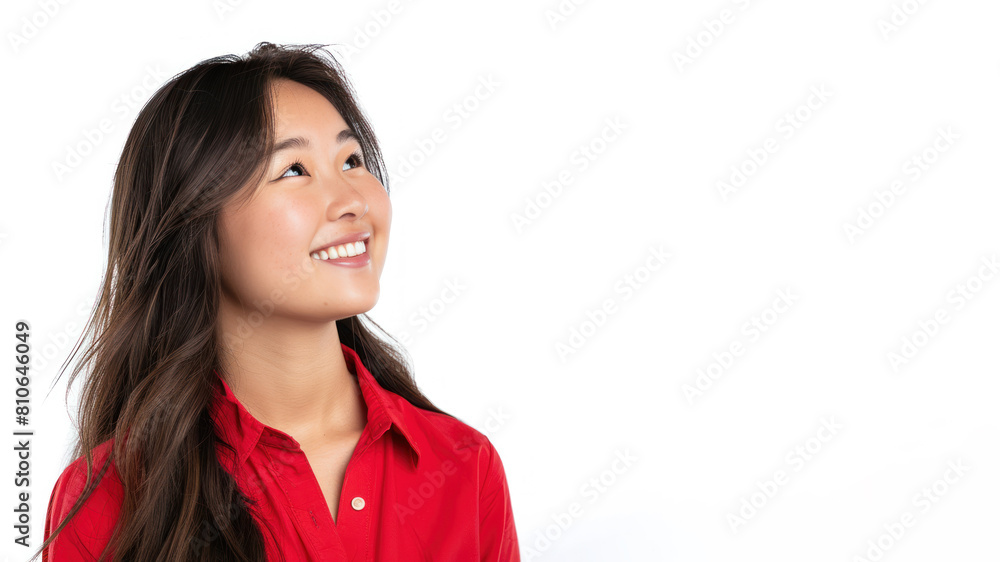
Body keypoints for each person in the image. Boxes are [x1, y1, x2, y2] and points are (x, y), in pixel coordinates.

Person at [34, 42, 520, 561]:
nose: (354, 200)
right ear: (197, 225)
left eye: (352, 160)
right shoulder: (107, 500)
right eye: (294, 170)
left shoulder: (464, 468)